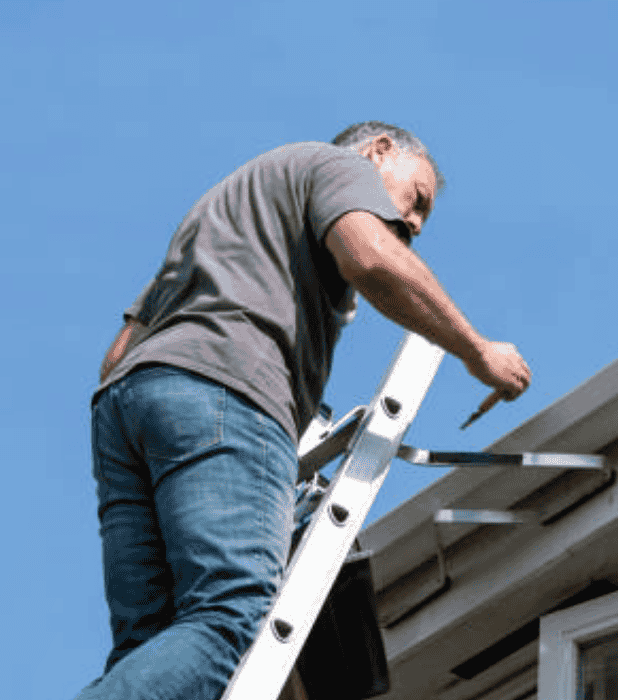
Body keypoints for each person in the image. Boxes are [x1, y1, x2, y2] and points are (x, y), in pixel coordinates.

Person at [75, 121, 531, 700]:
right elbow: (370, 258)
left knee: (152, 646)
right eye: (417, 201)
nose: (414, 224)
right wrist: (477, 349)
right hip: (228, 391)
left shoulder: (220, 218)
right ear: (379, 151)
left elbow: (117, 357)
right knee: (231, 619)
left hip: (130, 408)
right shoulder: (335, 166)